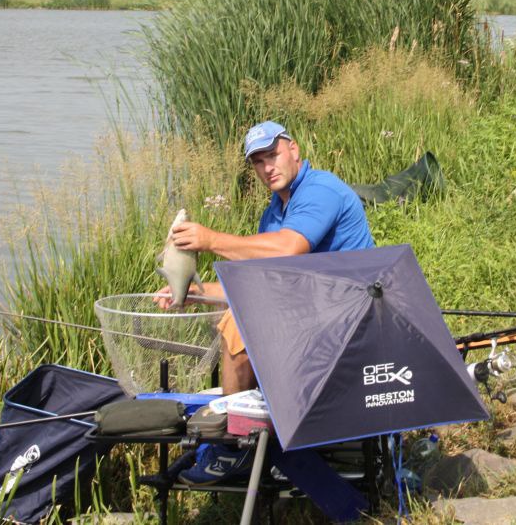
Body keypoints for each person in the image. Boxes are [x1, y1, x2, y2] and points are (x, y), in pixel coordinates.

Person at [160, 120, 375, 485]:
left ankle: (236, 448)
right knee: (234, 310)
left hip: (352, 315)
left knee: (240, 322)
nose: (267, 167)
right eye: (258, 161)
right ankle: (254, 424)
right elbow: (257, 282)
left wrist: (210, 239)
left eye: (272, 154)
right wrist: (189, 294)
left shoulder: (320, 189)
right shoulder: (275, 211)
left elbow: (289, 248)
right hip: (315, 310)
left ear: (294, 150)